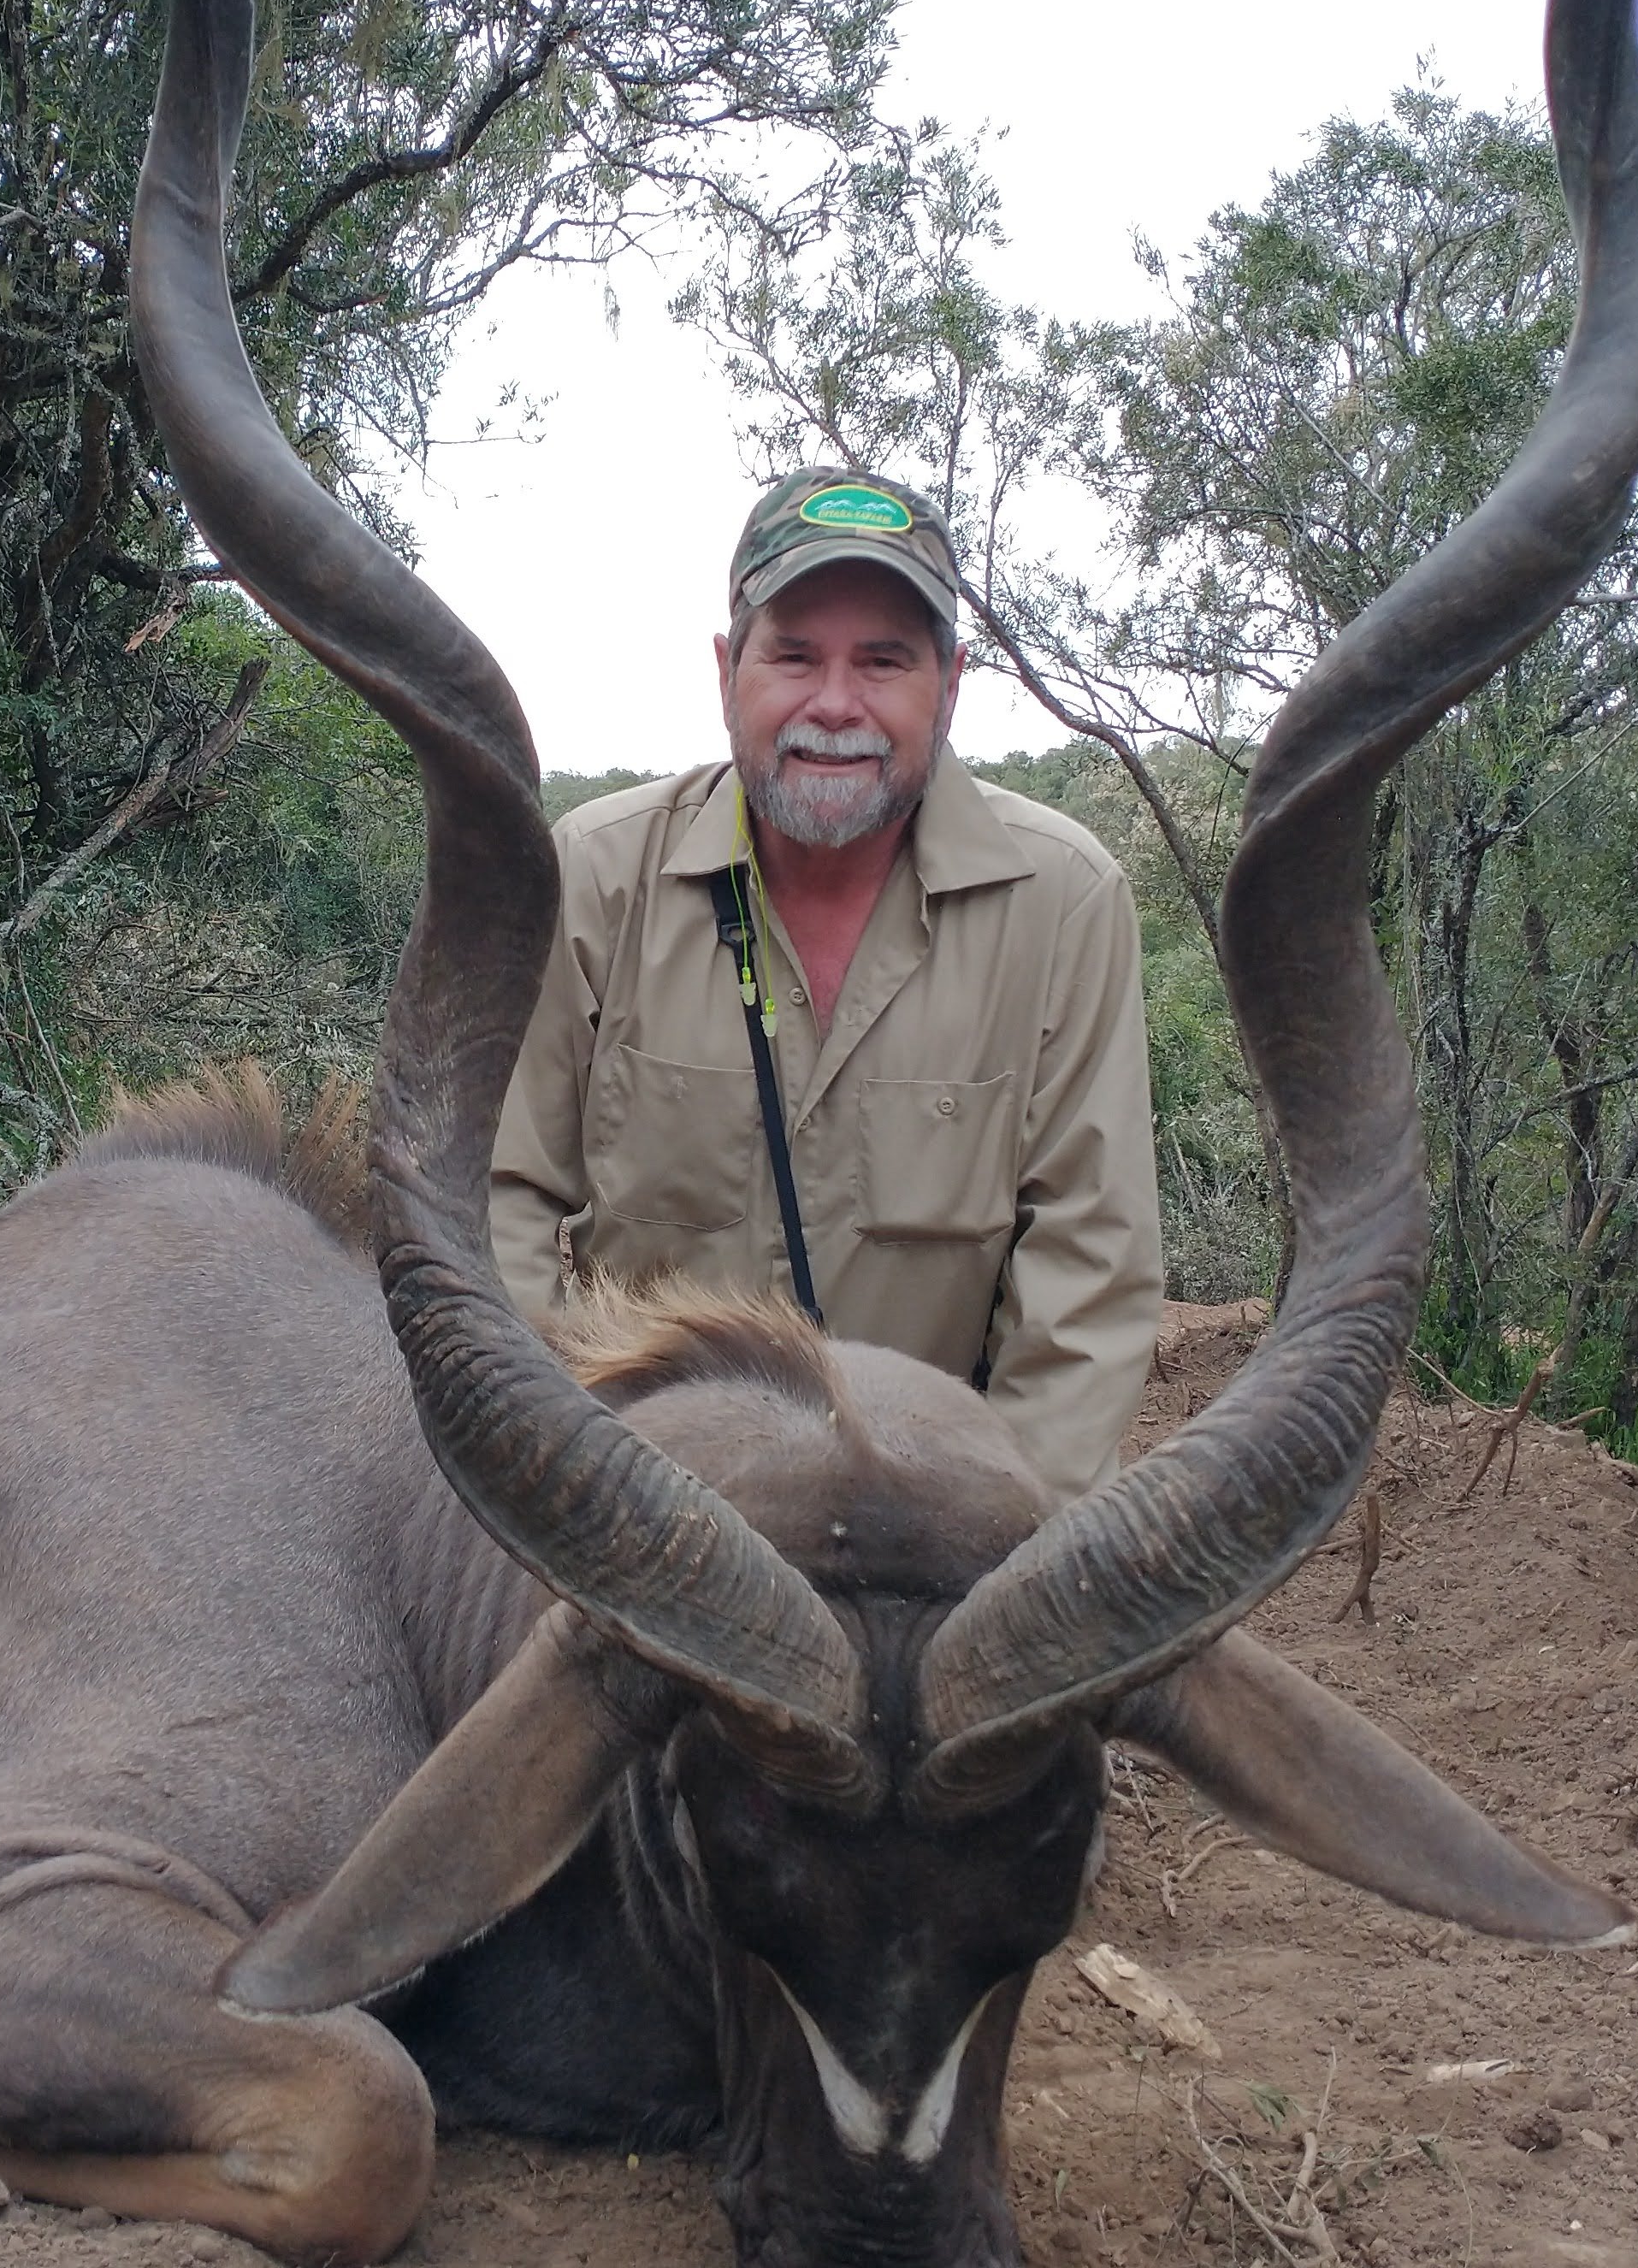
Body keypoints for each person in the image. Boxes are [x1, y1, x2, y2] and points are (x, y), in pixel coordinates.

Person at [491, 464, 1168, 1504]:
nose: (836, 705)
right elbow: (501, 1204)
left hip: (938, 1536)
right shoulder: (589, 875)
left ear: (950, 683)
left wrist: (1005, 1567)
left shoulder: (1065, 901)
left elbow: (1087, 1279)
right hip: (643, 1521)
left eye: (885, 661)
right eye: (794, 656)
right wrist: (567, 1494)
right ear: (728, 672)